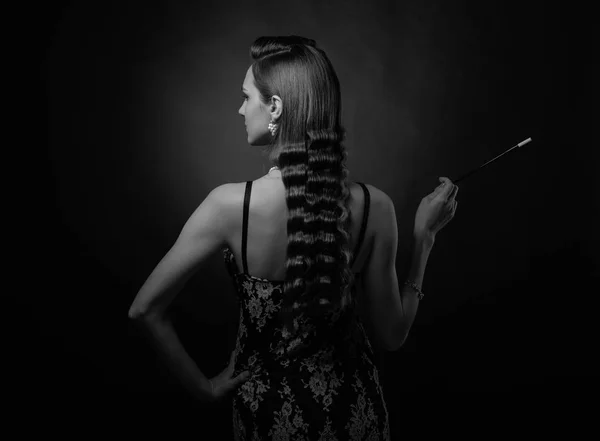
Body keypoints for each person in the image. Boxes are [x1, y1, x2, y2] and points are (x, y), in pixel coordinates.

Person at [128, 35, 458, 440]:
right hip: (356, 417)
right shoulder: (376, 207)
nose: (240, 108)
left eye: (247, 96)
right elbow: (393, 335)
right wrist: (424, 239)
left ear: (276, 107)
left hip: (267, 421)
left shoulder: (229, 206)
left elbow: (144, 310)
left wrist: (205, 388)